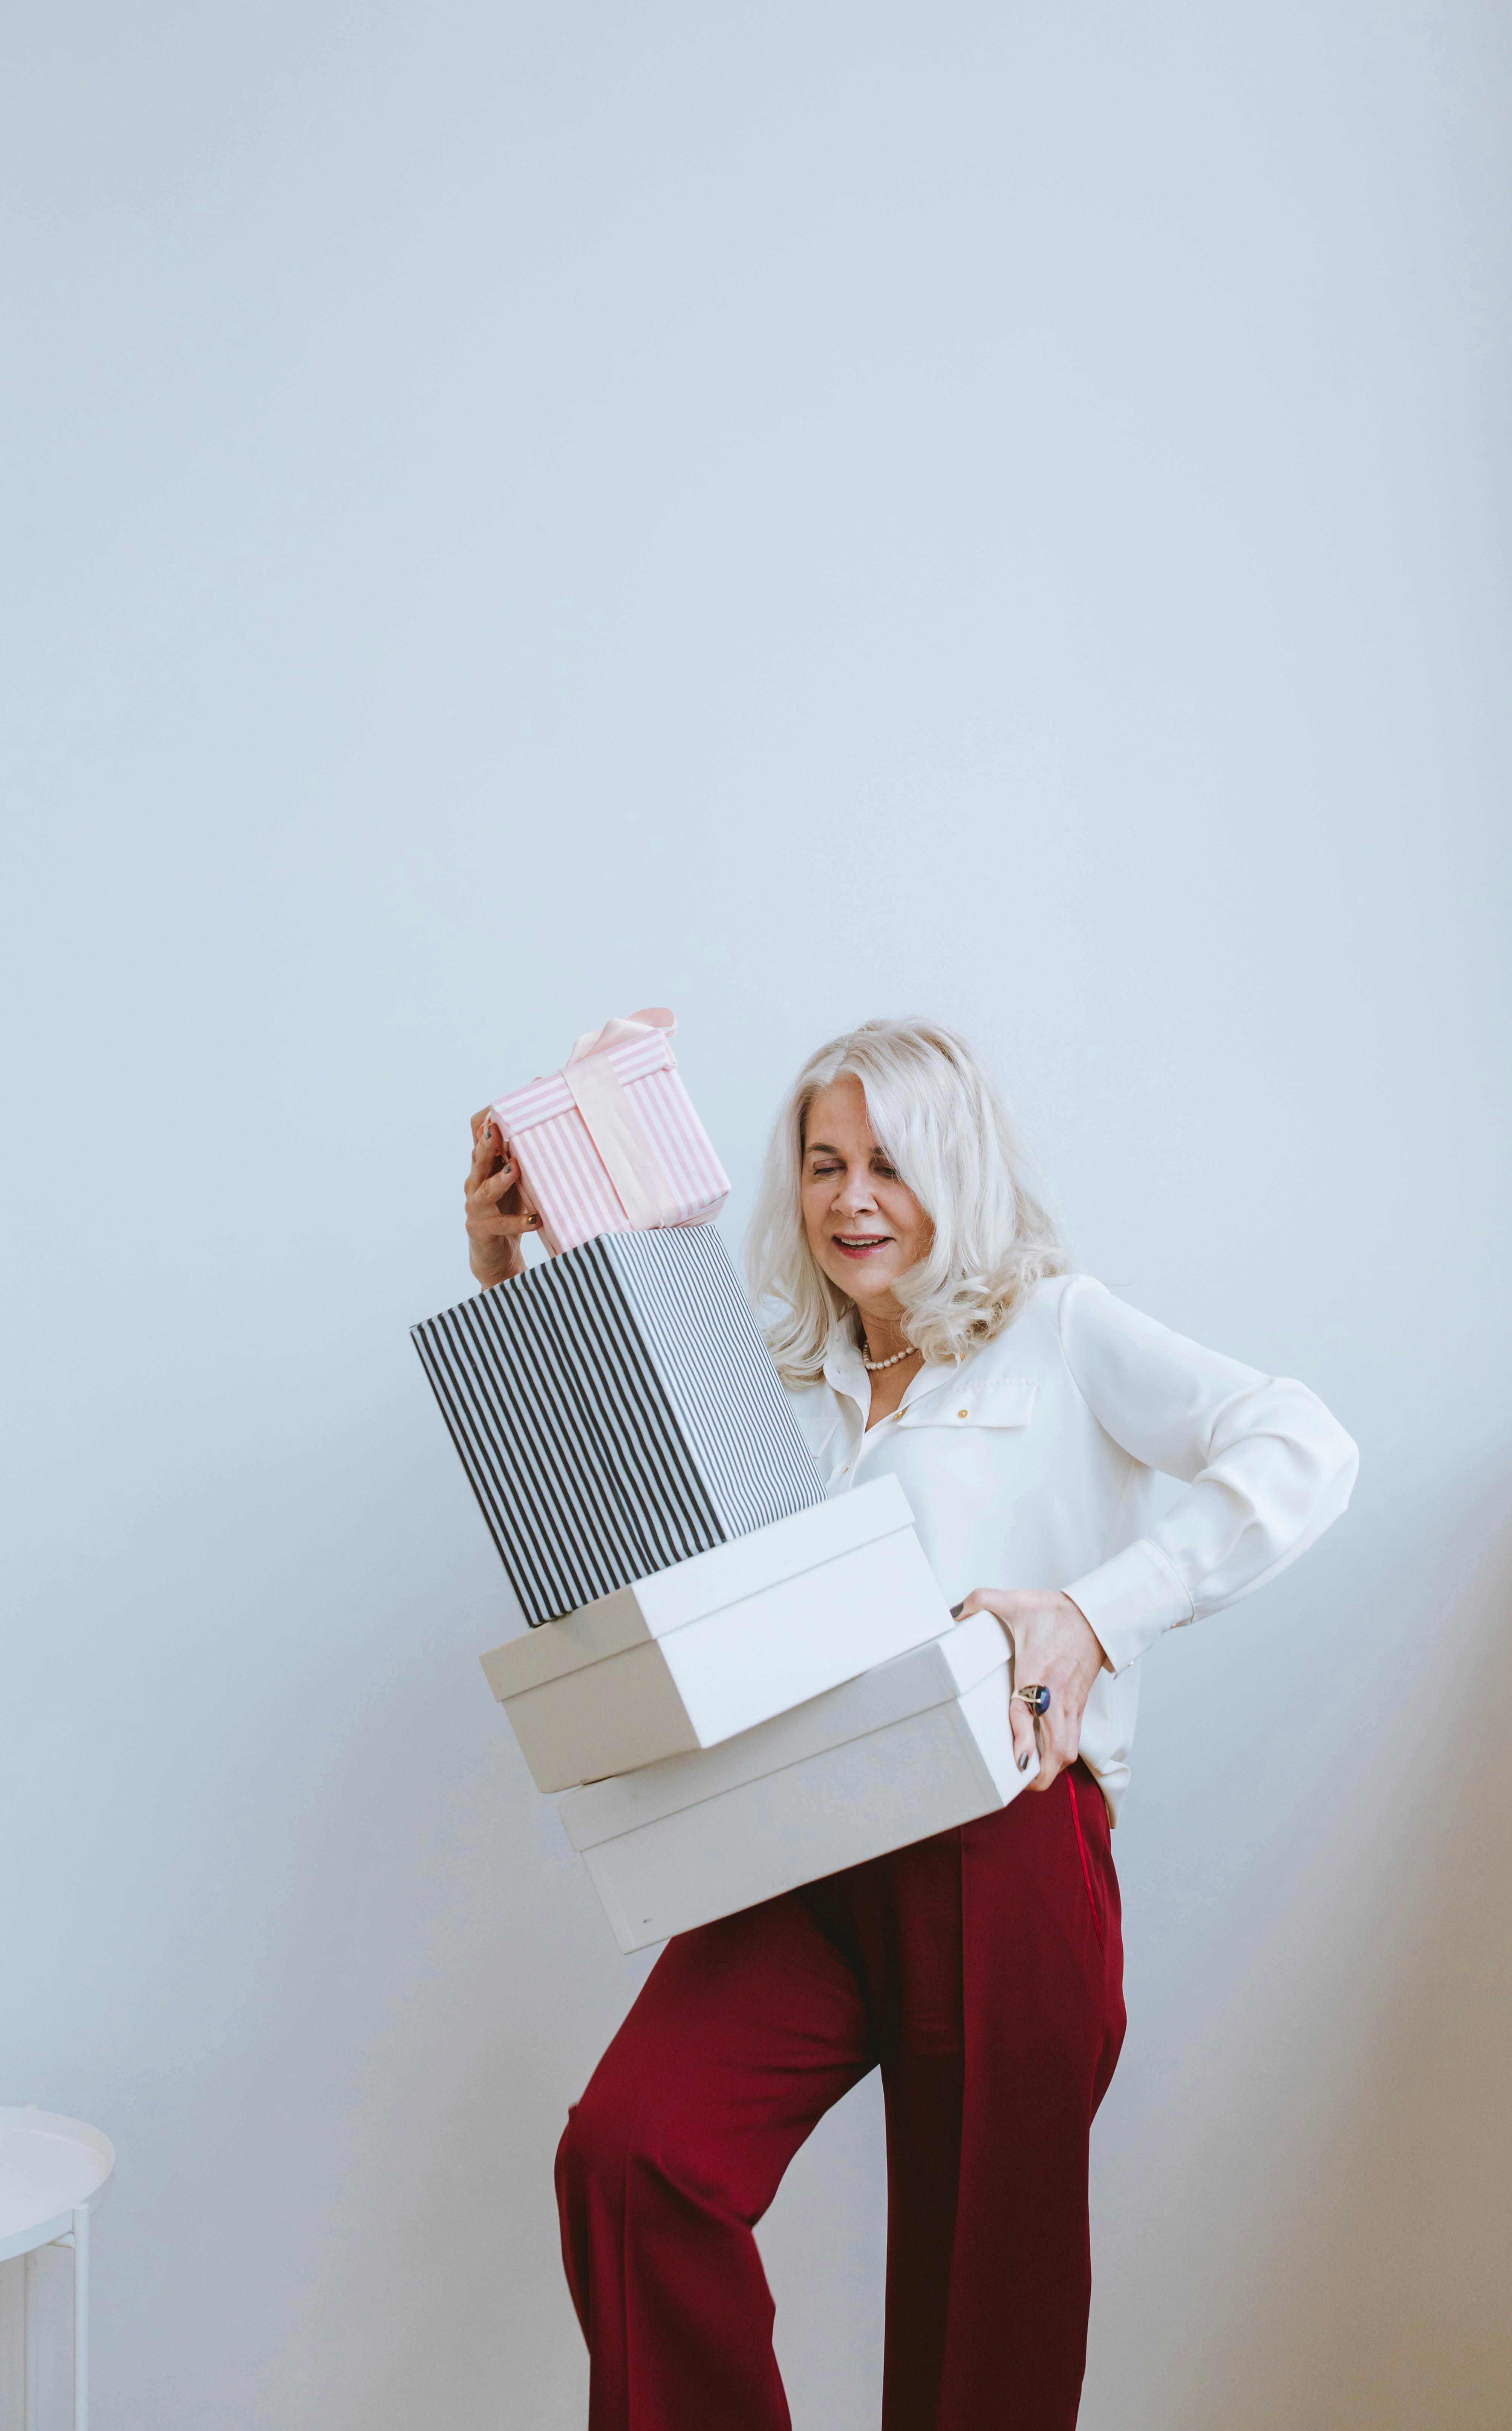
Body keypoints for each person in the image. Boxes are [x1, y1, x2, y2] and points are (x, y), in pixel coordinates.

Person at [463, 1017, 1359, 2431]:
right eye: (823, 1163)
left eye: (891, 1162)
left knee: (977, 2312)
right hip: (799, 1837)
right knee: (635, 2155)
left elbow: (1303, 1443)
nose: (851, 1197)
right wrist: (509, 1269)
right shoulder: (776, 1380)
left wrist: (1095, 1610)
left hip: (998, 1840)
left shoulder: (1060, 1332)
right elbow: (620, 1520)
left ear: (961, 1175)